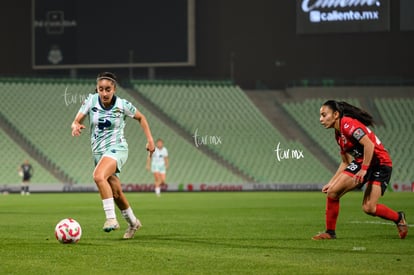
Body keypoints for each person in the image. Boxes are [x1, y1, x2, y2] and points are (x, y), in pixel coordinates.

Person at [71, 72, 155, 239]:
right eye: (101, 89)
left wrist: (150, 140)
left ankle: (111, 219)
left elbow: (141, 117)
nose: (104, 93)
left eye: (108, 89)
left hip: (117, 148)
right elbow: (76, 120)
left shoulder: (123, 105)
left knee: (98, 176)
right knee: (116, 193)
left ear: (114, 89)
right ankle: (133, 223)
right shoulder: (91, 101)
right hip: (98, 153)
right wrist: (75, 125)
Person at [313, 100, 408, 240]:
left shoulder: (347, 124)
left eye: (324, 115)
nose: (321, 119)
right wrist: (331, 181)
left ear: (336, 114)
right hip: (362, 161)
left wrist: (364, 170)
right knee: (332, 192)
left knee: (369, 208)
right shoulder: (338, 135)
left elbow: (369, 145)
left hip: (380, 163)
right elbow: (345, 162)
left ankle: (399, 218)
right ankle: (330, 233)